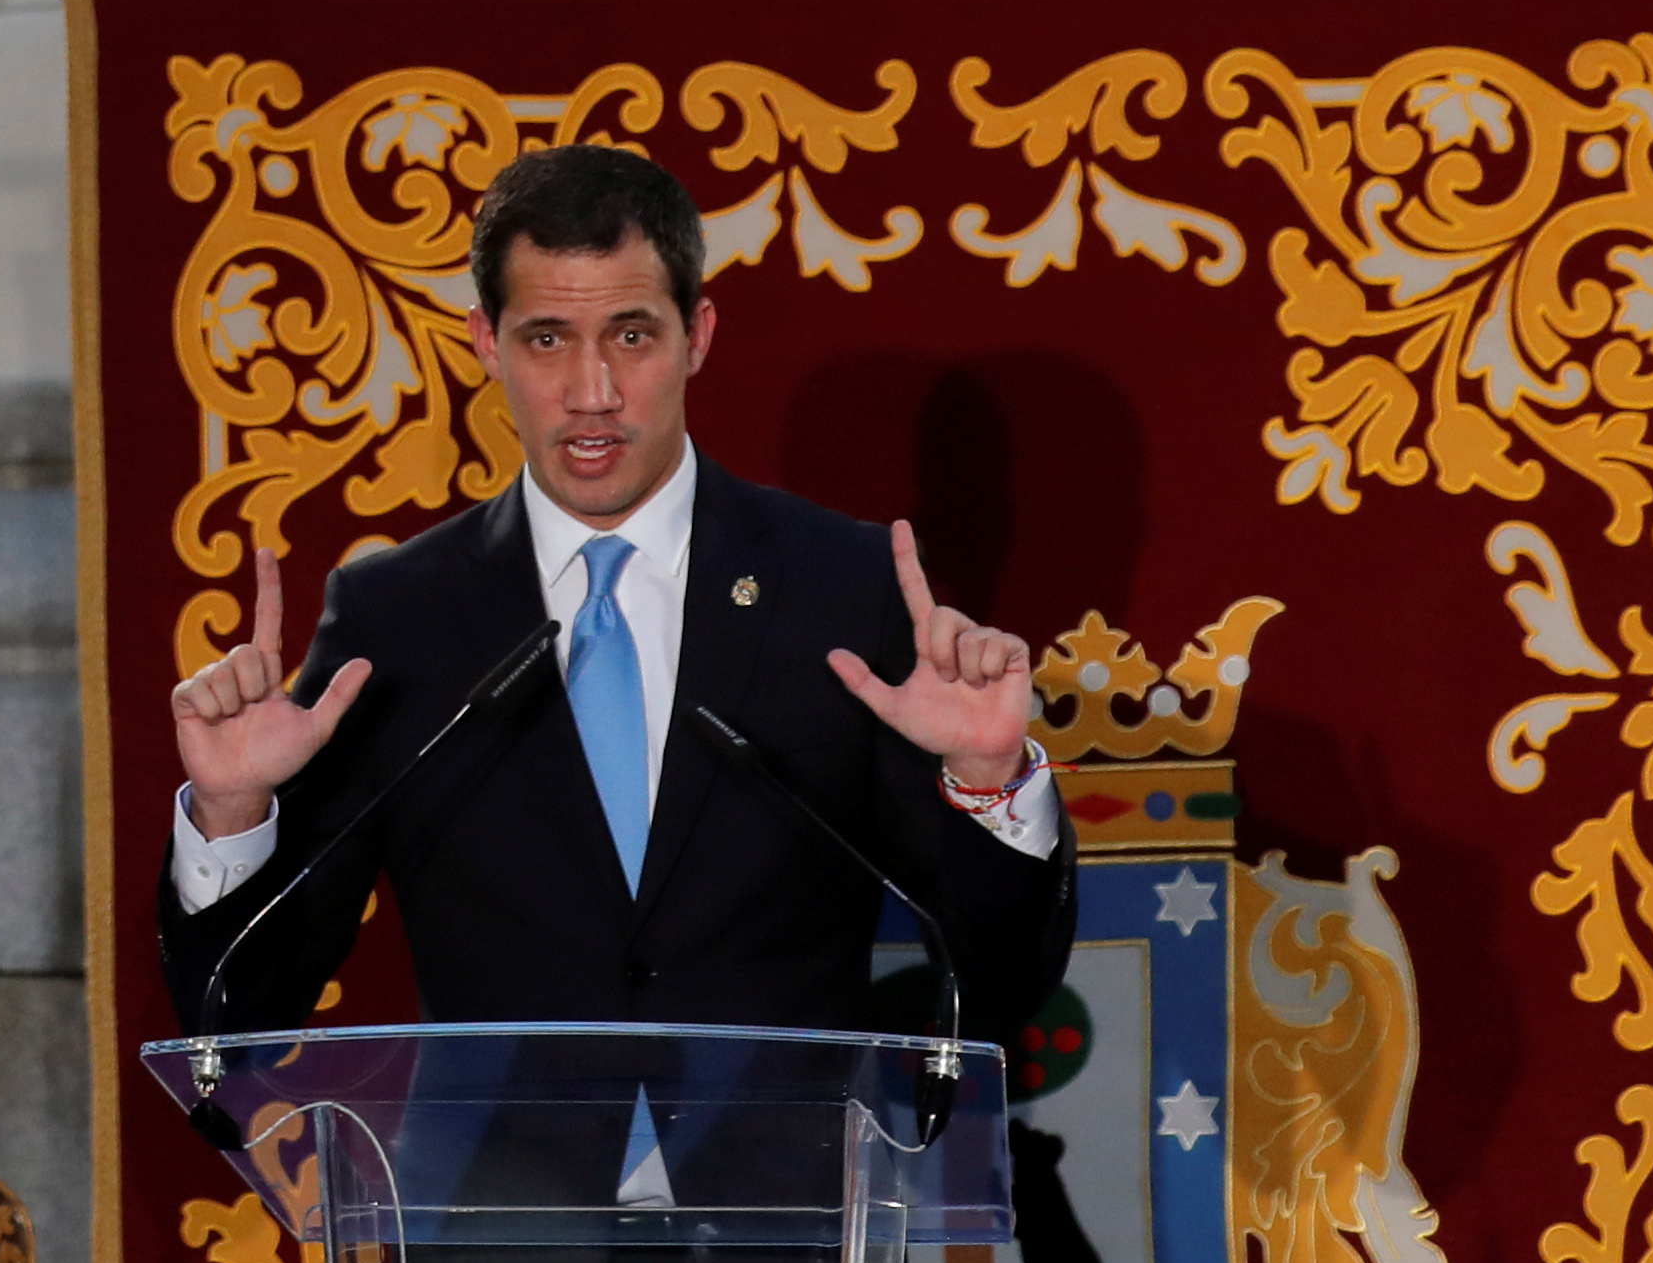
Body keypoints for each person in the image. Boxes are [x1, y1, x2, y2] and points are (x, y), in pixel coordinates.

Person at [151, 141, 1081, 1200]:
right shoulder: (401, 617)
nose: (591, 392)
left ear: (699, 336)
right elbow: (243, 1021)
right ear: (485, 345)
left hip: (781, 1223)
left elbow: (999, 985)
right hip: (499, 1232)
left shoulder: (841, 591)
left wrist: (989, 783)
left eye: (631, 335)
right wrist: (232, 814)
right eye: (547, 338)